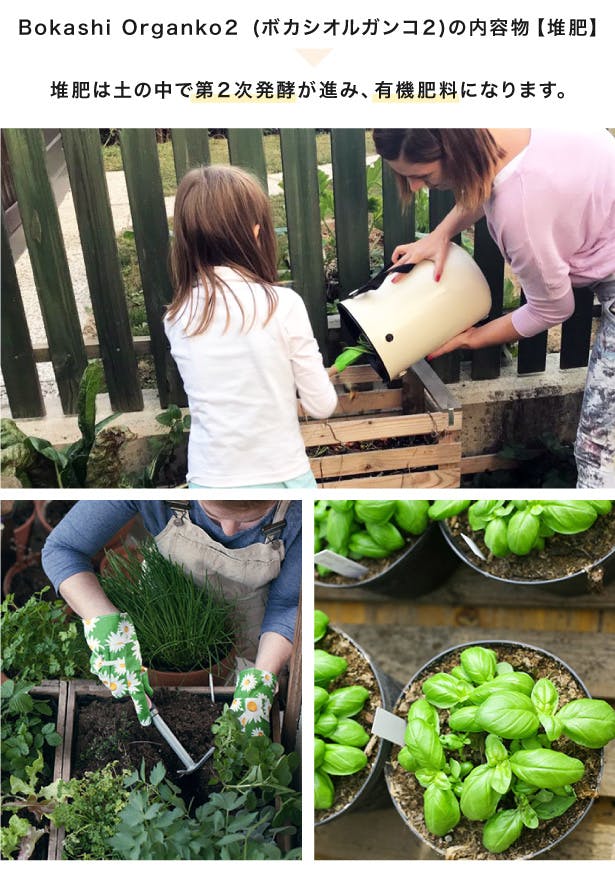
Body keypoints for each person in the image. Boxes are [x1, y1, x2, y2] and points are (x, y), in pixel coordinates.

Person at [372, 128, 615, 488]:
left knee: (599, 452)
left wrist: (471, 338)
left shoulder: (520, 211)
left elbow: (552, 309)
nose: (417, 187)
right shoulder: (504, 128)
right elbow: (485, 177)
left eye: (422, 175)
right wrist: (440, 234)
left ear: (456, 148)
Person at [41, 499, 301, 736]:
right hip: (162, 620)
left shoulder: (299, 511)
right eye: (212, 514)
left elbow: (287, 603)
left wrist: (263, 675)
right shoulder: (152, 484)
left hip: (255, 631)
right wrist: (104, 621)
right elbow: (63, 548)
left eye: (250, 519)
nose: (229, 529)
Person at [164, 164, 337, 489]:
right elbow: (321, 405)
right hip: (283, 477)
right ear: (257, 233)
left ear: (186, 241)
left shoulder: (177, 317)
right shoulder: (282, 305)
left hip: (209, 481)